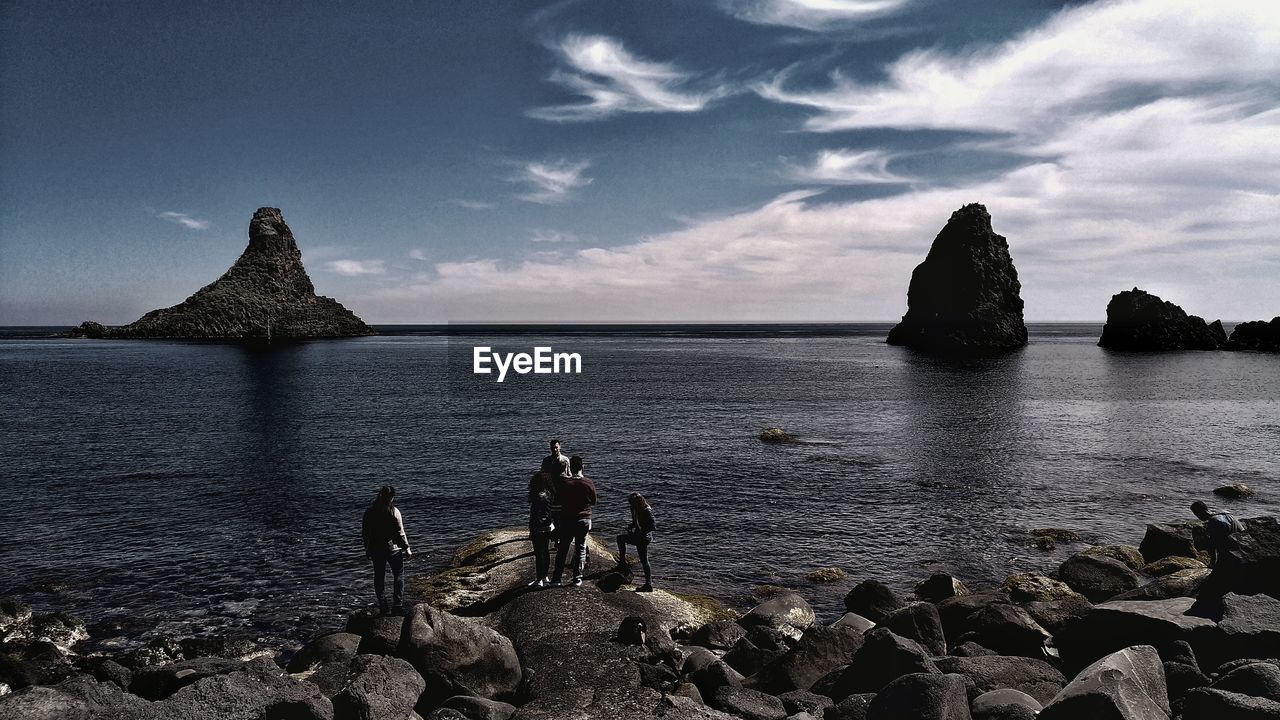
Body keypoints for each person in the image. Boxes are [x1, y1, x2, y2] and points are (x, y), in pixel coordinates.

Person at [362, 485, 412, 614]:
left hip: (376, 549)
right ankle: (397, 605)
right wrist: (407, 548)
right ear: (392, 498)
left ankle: (383, 605)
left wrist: (367, 548)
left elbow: (365, 533)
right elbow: (400, 532)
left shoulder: (369, 512)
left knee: (379, 577)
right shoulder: (394, 511)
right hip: (393, 549)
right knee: (398, 575)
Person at [551, 455, 597, 587]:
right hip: (584, 519)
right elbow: (593, 501)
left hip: (567, 519)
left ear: (570, 467)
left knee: (563, 549)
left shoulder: (565, 484)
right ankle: (577, 578)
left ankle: (557, 578)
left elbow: (558, 500)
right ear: (583, 467)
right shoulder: (588, 482)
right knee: (580, 548)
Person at [616, 493, 657, 592]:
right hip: (638, 535)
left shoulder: (647, 511)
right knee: (620, 538)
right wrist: (631, 526)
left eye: (632, 503)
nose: (631, 506)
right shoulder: (635, 508)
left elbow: (653, 526)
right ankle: (622, 562)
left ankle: (648, 584)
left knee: (644, 560)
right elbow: (636, 521)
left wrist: (642, 532)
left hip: (643, 538)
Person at [1191, 500, 1245, 567]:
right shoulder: (1225, 513)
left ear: (1199, 512)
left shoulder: (1214, 521)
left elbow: (1213, 545)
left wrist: (1212, 563)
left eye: (1196, 514)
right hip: (1244, 545)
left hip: (1234, 553)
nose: (1197, 517)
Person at [527, 472, 555, 587]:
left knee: (539, 553)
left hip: (538, 528)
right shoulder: (549, 494)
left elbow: (534, 516)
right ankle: (545, 576)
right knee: (546, 551)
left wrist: (531, 530)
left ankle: (539, 579)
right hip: (548, 526)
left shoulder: (537, 497)